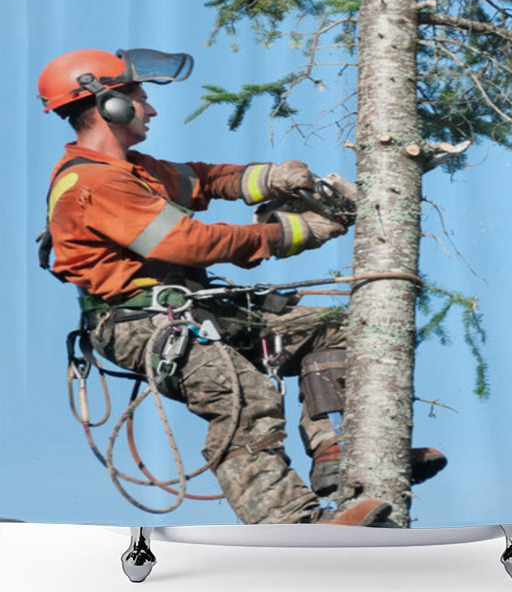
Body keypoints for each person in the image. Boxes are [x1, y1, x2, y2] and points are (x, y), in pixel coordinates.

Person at [36, 47, 416, 526]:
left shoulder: (133, 170)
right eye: (141, 98)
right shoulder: (94, 184)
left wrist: (273, 178)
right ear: (109, 104)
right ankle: (289, 526)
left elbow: (206, 179)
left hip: (185, 311)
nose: (151, 109)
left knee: (330, 328)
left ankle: (338, 451)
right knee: (241, 394)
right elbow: (188, 244)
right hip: (135, 322)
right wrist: (289, 234)